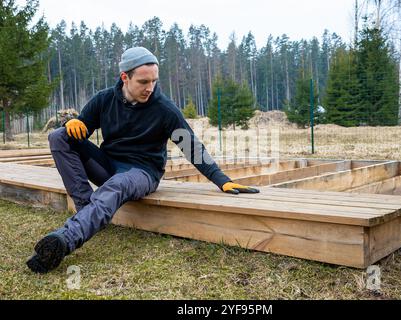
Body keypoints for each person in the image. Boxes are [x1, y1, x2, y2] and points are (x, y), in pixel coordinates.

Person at [26, 47, 260, 274]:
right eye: (143, 82)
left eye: (154, 81)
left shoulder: (164, 109)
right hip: (108, 165)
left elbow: (191, 146)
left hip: (142, 172)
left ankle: (66, 239)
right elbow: (80, 132)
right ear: (125, 77)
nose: (150, 88)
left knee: (118, 184)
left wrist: (222, 180)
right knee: (58, 137)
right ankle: (86, 210)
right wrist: (71, 124)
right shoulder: (104, 100)